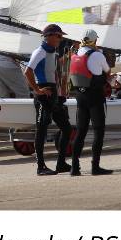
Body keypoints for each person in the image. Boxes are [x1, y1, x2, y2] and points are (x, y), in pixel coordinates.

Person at [25, 24, 73, 176]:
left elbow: (53, 72)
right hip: (43, 95)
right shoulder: (40, 51)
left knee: (67, 128)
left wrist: (60, 93)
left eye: (61, 37)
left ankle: (61, 163)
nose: (61, 39)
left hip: (52, 94)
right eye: (59, 36)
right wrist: (37, 90)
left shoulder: (52, 52)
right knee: (41, 130)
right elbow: (28, 71)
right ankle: (40, 167)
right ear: (49, 36)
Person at [68, 30, 112, 176]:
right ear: (95, 41)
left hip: (80, 96)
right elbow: (107, 70)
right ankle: (95, 167)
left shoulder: (75, 54)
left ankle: (74, 167)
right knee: (98, 131)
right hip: (95, 96)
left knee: (81, 132)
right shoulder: (97, 55)